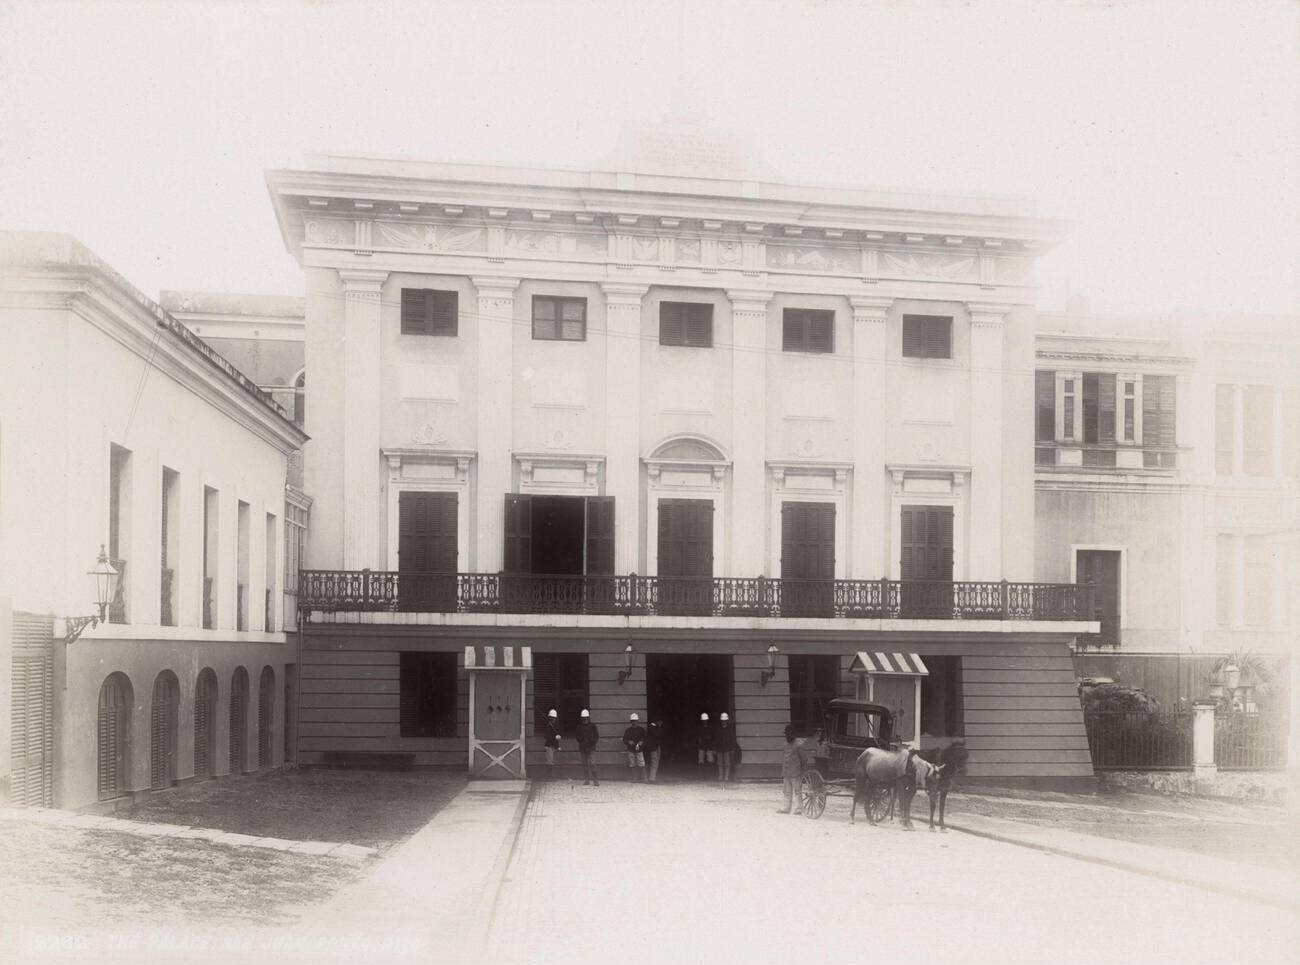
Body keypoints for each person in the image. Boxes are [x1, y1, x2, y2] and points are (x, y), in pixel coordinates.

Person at [778, 724, 811, 814]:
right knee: (786, 791)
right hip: (786, 772)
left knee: (797, 791)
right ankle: (786, 808)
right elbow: (784, 759)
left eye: (790, 735)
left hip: (796, 773)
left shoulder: (798, 746)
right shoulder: (785, 745)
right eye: (787, 735)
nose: (788, 737)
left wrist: (802, 769)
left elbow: (804, 759)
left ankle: (798, 808)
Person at [575, 708, 600, 786]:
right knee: (585, 764)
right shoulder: (579, 727)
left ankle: (595, 779)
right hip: (583, 748)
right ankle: (587, 779)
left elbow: (596, 736)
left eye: (586, 718)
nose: (584, 719)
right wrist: (583, 743)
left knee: (592, 763)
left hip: (591, 748)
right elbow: (577, 737)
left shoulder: (593, 726)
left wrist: (591, 742)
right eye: (583, 718)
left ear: (588, 718)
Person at [715, 712, 740, 782]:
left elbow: (732, 739)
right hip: (719, 749)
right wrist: (715, 748)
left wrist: (732, 748)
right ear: (721, 721)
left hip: (727, 749)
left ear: (727, 721)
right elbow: (716, 739)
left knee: (727, 764)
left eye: (725, 721)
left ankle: (726, 777)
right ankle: (720, 777)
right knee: (720, 764)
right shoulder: (718, 729)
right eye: (723, 721)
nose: (724, 722)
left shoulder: (729, 729)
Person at [623, 712, 647, 782]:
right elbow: (624, 739)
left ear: (638, 721)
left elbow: (645, 738)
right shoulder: (628, 730)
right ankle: (634, 778)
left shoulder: (641, 730)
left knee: (642, 763)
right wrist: (628, 742)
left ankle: (645, 778)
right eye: (633, 721)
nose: (634, 722)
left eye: (635, 721)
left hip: (639, 749)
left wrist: (641, 742)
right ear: (631, 722)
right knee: (632, 764)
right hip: (631, 749)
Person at [543, 708, 562, 781]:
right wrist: (555, 737)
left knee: (553, 762)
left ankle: (551, 776)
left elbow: (556, 739)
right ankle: (548, 777)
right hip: (549, 746)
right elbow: (547, 737)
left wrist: (558, 746)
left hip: (554, 746)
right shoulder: (548, 727)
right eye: (552, 718)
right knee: (549, 762)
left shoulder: (554, 727)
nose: (553, 720)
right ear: (550, 718)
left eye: (554, 718)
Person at [644, 718, 663, 783]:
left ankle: (651, 778)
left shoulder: (652, 727)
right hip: (653, 748)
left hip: (654, 747)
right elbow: (658, 735)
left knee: (653, 762)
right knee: (654, 763)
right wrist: (659, 727)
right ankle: (652, 778)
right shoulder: (652, 727)